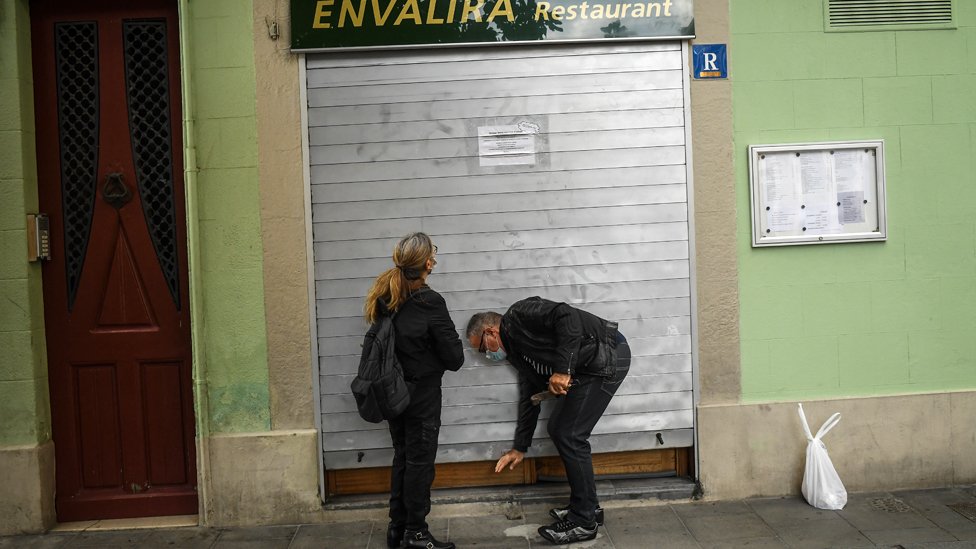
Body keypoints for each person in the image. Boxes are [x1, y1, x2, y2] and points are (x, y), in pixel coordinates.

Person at [465, 297, 631, 545]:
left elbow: (567, 316)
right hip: (590, 363)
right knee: (560, 429)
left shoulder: (519, 313)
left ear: (491, 331)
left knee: (569, 434)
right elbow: (530, 397)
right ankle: (587, 507)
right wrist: (520, 446)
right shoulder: (518, 353)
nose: (486, 355)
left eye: (482, 348)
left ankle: (584, 522)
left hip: (608, 353)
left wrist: (563, 370)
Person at [364, 232, 464, 549]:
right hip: (422, 399)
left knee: (404, 459)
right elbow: (455, 358)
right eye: (432, 253)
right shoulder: (429, 302)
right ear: (426, 263)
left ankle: (398, 529)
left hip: (395, 396)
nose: (434, 258)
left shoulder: (387, 298)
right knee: (420, 464)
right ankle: (416, 533)